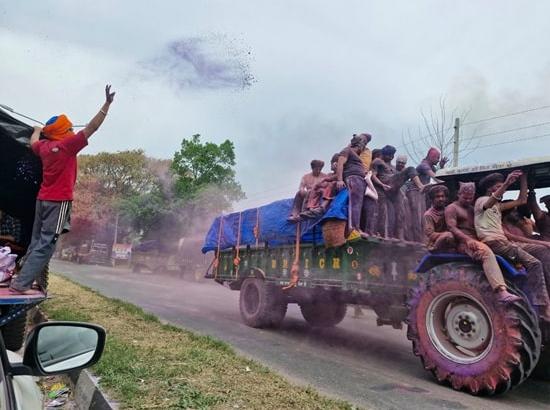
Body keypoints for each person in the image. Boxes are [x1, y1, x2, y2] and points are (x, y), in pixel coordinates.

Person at [9, 85, 116, 294]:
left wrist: (37, 131)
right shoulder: (68, 146)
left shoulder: (44, 148)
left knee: (37, 241)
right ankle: (20, 284)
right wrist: (107, 105)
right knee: (47, 245)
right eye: (69, 130)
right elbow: (92, 127)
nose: (73, 132)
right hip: (58, 202)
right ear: (63, 133)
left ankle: (21, 275)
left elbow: (33, 142)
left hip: (42, 199)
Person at [474, 171, 550, 318]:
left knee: (542, 250)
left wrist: (524, 177)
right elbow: (489, 203)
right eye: (498, 186)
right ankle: (541, 307)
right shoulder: (482, 201)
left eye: (502, 186)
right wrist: (507, 183)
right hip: (494, 243)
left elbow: (521, 200)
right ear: (490, 189)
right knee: (534, 263)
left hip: (506, 242)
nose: (502, 189)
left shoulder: (498, 207)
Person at [445, 182, 520, 303]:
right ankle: (501, 291)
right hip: (465, 242)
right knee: (486, 253)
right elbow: (452, 228)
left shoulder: (472, 209)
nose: (468, 200)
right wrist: (467, 239)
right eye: (465, 197)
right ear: (458, 194)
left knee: (511, 251)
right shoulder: (452, 208)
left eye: (470, 197)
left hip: (479, 239)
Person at [371, 145, 424, 239]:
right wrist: (382, 185)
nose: (391, 157)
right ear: (384, 154)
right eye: (390, 155)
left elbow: (399, 179)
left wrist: (402, 194)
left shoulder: (392, 166)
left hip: (393, 189)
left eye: (392, 155)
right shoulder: (378, 161)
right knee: (383, 214)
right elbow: (373, 176)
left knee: (400, 213)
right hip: (386, 184)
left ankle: (400, 237)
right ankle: (421, 186)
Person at [407, 147, 448, 242]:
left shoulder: (431, 167)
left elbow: (438, 173)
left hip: (422, 193)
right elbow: (436, 177)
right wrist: (447, 181)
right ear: (431, 156)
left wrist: (441, 166)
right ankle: (418, 241)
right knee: (418, 217)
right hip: (415, 192)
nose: (438, 160)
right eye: (437, 158)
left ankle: (422, 239)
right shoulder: (424, 165)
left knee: (423, 217)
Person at [335, 135, 368, 238]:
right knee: (355, 204)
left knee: (359, 205)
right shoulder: (347, 150)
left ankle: (357, 227)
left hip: (360, 180)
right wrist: (339, 180)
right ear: (360, 145)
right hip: (353, 179)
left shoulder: (356, 156)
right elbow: (340, 164)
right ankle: (353, 229)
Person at [300, 154, 342, 218]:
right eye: (331, 163)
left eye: (332, 163)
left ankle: (322, 207)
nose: (318, 171)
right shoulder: (329, 174)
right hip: (324, 190)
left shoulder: (340, 174)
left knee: (330, 185)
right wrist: (317, 185)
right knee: (315, 189)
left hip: (333, 190)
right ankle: (311, 208)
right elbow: (324, 183)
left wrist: (338, 169)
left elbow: (330, 180)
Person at [423, 185, 455, 252]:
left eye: (442, 196)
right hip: (435, 244)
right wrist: (446, 234)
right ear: (432, 199)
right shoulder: (428, 215)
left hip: (451, 244)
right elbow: (430, 234)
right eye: (437, 197)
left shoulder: (449, 210)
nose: (441, 199)